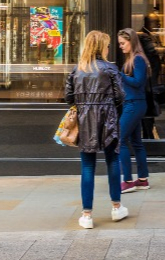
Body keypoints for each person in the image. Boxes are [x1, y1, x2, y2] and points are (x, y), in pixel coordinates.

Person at [65, 30, 128, 229]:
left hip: (85, 120)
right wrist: (108, 106)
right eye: (107, 45)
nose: (109, 48)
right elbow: (120, 95)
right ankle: (117, 207)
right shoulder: (110, 69)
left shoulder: (77, 70)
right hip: (107, 118)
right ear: (101, 47)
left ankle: (87, 215)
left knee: (87, 166)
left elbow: (68, 97)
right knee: (112, 161)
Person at [117, 28, 151, 193]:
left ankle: (128, 180)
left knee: (120, 140)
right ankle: (143, 180)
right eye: (119, 44)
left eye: (123, 43)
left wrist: (119, 75)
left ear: (131, 41)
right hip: (133, 103)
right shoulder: (134, 58)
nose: (121, 47)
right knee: (137, 143)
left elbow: (138, 82)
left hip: (134, 104)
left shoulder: (138, 59)